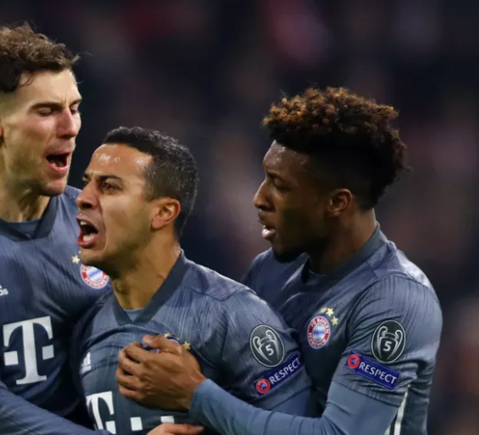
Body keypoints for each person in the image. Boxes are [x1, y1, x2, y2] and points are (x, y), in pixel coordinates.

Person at [0, 23, 195, 435]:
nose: (70, 127)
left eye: (74, 108)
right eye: (46, 112)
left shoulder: (109, 221)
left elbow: (181, 325)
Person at [115, 87, 443, 435]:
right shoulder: (269, 270)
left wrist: (195, 395)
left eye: (280, 187)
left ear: (337, 203)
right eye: (265, 178)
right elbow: (241, 401)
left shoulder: (395, 299)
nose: (259, 198)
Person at [72, 127, 311, 435]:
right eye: (86, 183)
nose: (83, 198)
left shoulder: (235, 315)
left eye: (108, 187)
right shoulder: (86, 327)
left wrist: (197, 395)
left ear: (163, 212)